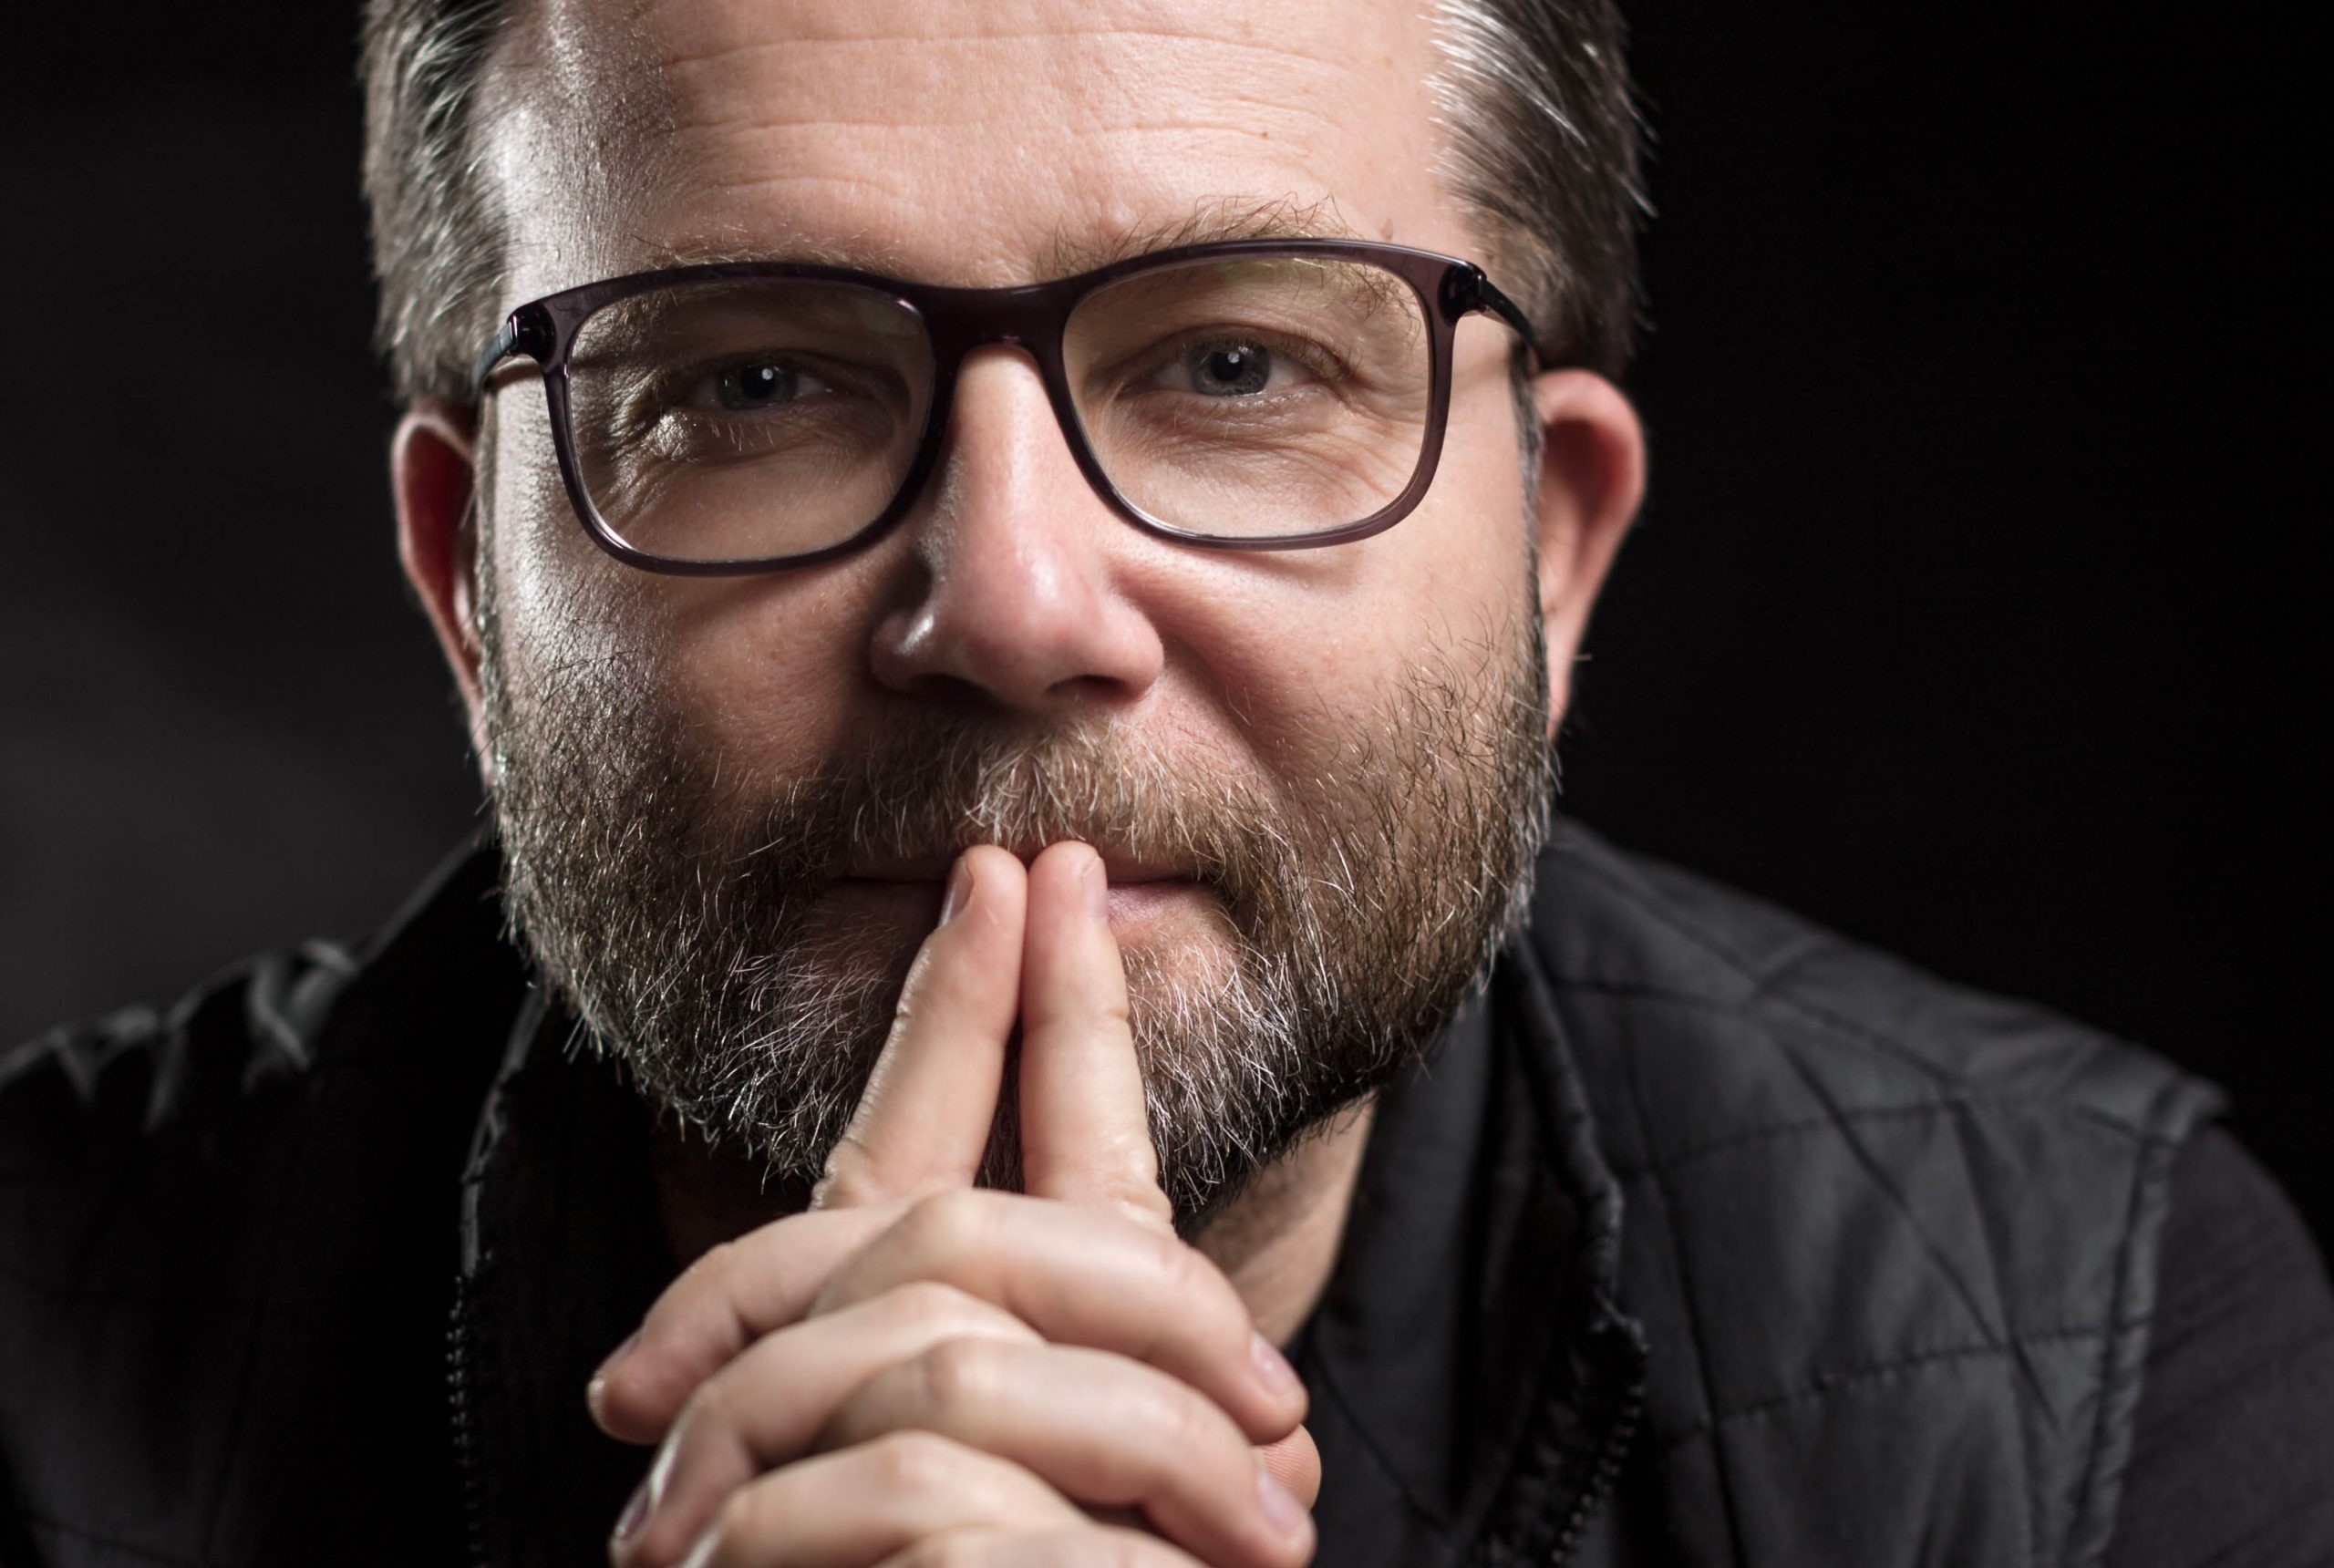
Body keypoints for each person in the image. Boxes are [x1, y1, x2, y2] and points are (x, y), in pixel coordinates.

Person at [2, 0, 2327, 1563]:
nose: (1015, 605)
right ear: (472, 591)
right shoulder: (30, 1360)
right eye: (750, 387)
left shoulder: (2090, 1359)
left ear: (1548, 551)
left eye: (1233, 364)